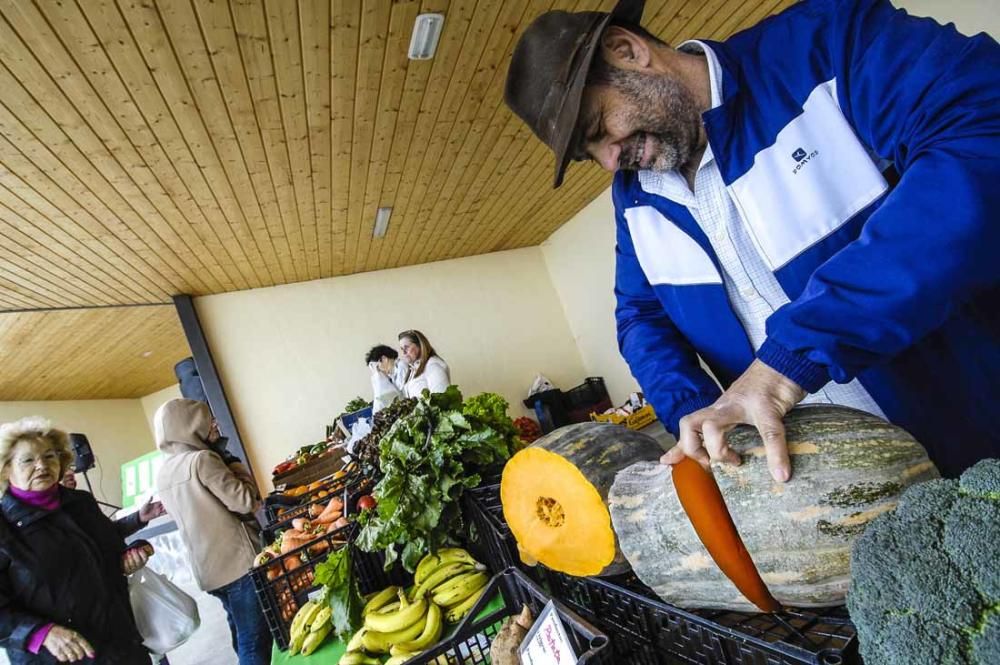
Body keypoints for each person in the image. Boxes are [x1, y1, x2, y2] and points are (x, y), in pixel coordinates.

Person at [504, 0, 1000, 479]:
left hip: (976, 430)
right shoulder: (633, 197)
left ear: (627, 50)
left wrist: (788, 363)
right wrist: (696, 414)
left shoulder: (827, 43)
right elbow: (640, 316)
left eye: (598, 127)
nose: (610, 161)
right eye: (589, 153)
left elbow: (979, 142)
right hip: (824, 485)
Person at [0, 416, 151, 663]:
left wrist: (132, 555)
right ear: (5, 468)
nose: (41, 466)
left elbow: (110, 550)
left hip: (120, 644)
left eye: (49, 456)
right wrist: (39, 633)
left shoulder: (81, 503)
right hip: (57, 656)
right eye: (28, 460)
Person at [154, 399, 271, 665]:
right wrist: (235, 464)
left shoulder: (164, 472)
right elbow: (245, 501)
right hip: (239, 565)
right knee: (255, 641)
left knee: (240, 633)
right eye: (208, 421)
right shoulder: (203, 460)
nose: (215, 426)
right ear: (190, 426)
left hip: (210, 571)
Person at [61, 468, 167, 538]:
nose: (71, 472)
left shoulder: (84, 501)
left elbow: (108, 535)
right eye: (63, 467)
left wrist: (140, 517)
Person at [398, 330, 451, 399]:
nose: (404, 353)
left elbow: (441, 400)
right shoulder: (413, 368)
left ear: (420, 345)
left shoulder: (433, 366)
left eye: (406, 347)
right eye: (402, 349)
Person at [366, 344, 409, 412]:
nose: (379, 371)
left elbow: (399, 395)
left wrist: (378, 376)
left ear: (384, 359)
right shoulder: (393, 374)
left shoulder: (401, 366)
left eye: (377, 367)